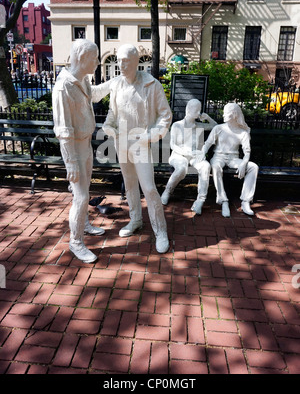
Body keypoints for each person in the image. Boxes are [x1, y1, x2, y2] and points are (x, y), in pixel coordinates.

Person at [102, 44, 172, 254]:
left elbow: (165, 115)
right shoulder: (117, 86)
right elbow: (113, 114)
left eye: (126, 61)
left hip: (141, 144)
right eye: (119, 61)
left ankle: (160, 230)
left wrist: (150, 135)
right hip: (121, 143)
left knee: (149, 188)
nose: (121, 65)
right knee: (130, 185)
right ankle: (135, 220)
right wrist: (108, 125)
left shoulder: (152, 85)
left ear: (136, 62)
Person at [52, 39, 112, 263]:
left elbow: (94, 94)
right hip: (74, 148)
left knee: (85, 189)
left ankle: (85, 225)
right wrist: (71, 163)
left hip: (85, 144)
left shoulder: (83, 81)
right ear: (81, 58)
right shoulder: (63, 87)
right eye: (94, 57)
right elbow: (63, 130)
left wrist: (113, 83)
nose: (97, 61)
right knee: (81, 196)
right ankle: (76, 242)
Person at [200, 102, 258, 218]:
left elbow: (247, 152)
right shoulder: (218, 128)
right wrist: (202, 154)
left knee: (253, 167)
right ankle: (223, 200)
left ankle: (246, 201)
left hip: (233, 159)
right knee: (216, 166)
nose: (224, 115)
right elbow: (207, 143)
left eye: (226, 113)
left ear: (234, 115)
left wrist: (244, 163)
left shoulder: (243, 133)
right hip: (218, 157)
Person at [161, 98, 217, 214]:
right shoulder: (177, 125)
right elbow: (172, 144)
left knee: (205, 166)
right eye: (196, 109)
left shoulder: (199, 126)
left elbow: (215, 127)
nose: (198, 112)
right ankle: (168, 191)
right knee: (182, 167)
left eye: (199, 110)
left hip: (194, 156)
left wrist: (207, 118)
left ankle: (200, 201)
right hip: (178, 155)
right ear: (188, 109)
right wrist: (185, 152)